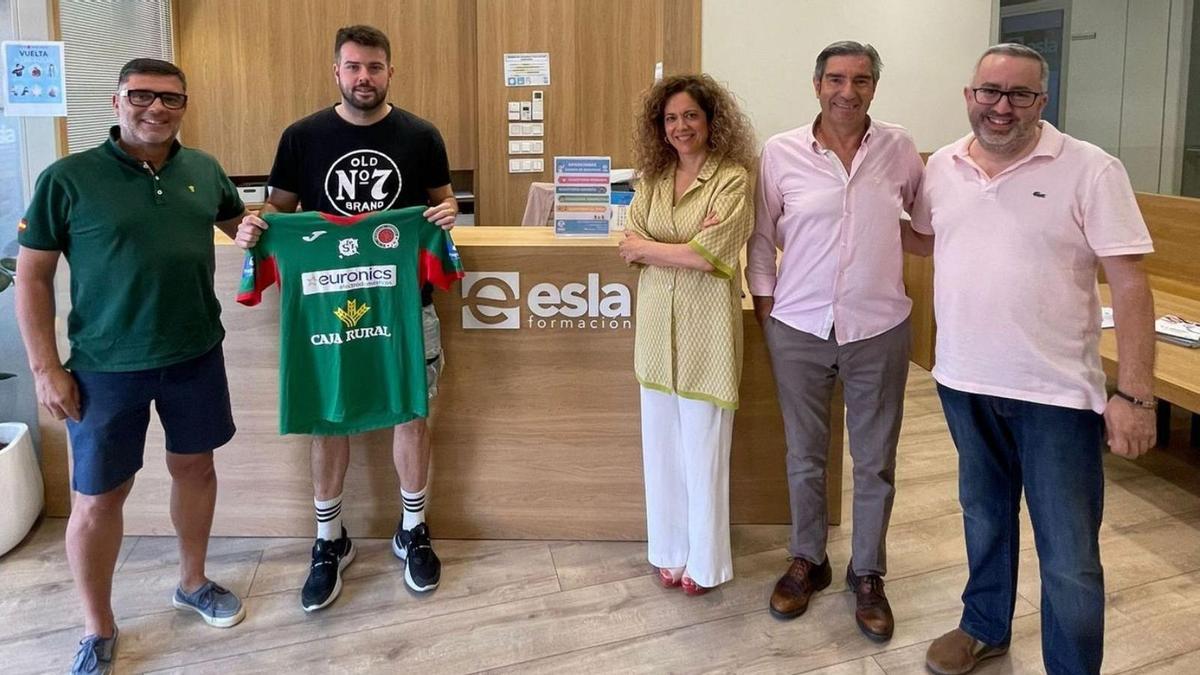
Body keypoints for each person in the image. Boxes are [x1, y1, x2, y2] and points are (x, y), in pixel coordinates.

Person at [913, 44, 1156, 675]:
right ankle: (984, 626)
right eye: (989, 92)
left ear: (1042, 102)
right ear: (970, 95)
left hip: (1057, 396)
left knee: (1069, 555)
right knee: (984, 517)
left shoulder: (1092, 169)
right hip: (962, 380)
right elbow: (922, 236)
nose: (1001, 107)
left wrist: (1134, 395)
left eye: (1019, 95)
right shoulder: (941, 166)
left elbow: (1129, 284)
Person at [15, 58, 249, 675]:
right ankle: (97, 629)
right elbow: (32, 277)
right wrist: (45, 368)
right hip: (103, 367)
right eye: (141, 96)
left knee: (195, 467)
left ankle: (193, 582)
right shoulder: (68, 178)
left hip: (197, 353)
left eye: (171, 99)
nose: (156, 109)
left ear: (184, 106)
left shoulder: (203, 170)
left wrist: (320, 232)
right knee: (97, 498)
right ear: (116, 102)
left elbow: (245, 228)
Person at [235, 24, 458, 611]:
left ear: (390, 71)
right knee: (328, 418)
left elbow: (444, 200)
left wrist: (448, 213)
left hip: (407, 306)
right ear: (336, 71)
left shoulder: (421, 135)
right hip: (324, 309)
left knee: (412, 411)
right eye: (354, 66)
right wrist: (257, 224)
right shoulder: (302, 137)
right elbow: (278, 212)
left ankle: (412, 529)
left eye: (375, 67)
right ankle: (329, 540)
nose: (365, 77)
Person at [746, 41, 925, 641]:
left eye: (862, 79)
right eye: (836, 79)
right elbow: (761, 237)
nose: (848, 91)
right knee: (805, 455)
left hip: (878, 328)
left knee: (875, 461)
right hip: (797, 327)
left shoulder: (900, 150)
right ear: (816, 84)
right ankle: (809, 561)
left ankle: (868, 574)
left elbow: (925, 226)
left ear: (875, 85)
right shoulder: (781, 152)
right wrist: (768, 309)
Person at [617, 73, 755, 595]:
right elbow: (631, 241)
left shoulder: (733, 178)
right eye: (671, 118)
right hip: (655, 334)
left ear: (711, 120)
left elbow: (712, 253)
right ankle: (670, 552)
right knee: (662, 451)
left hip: (708, 336)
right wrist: (685, 249)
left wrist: (662, 248)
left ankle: (707, 562)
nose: (680, 127)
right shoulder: (652, 179)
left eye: (690, 116)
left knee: (704, 451)